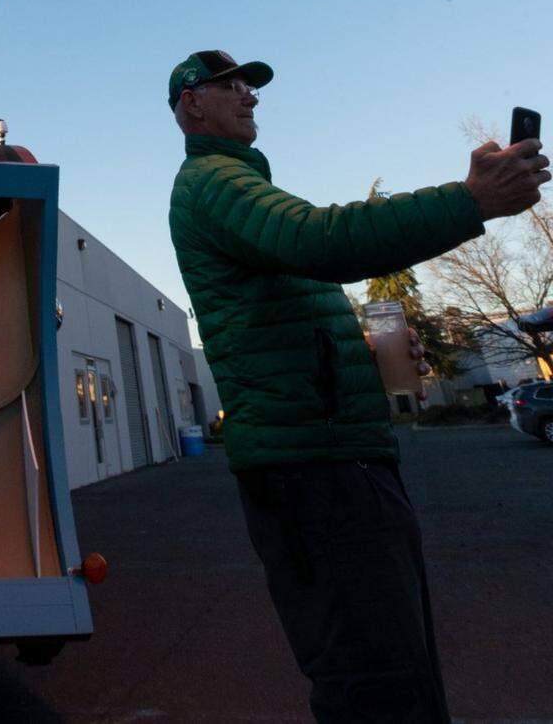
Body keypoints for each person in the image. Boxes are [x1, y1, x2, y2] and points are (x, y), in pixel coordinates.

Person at [167, 49, 549, 724]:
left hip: (333, 461)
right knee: (376, 683)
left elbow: (287, 312)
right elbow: (327, 240)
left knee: (392, 666)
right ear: (192, 103)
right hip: (316, 471)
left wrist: (364, 353)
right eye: (233, 86)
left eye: (252, 87)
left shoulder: (235, 184)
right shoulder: (213, 182)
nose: (250, 97)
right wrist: (469, 200)